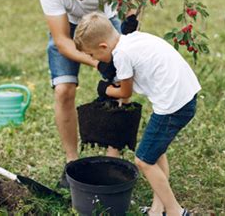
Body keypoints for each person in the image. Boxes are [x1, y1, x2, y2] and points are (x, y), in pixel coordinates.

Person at [74, 12, 199, 216]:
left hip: (173, 105)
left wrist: (104, 90)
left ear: (103, 47)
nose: (92, 59)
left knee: (143, 160)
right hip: (184, 95)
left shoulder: (121, 55)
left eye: (92, 55)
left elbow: (125, 92)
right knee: (156, 154)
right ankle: (157, 211)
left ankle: (175, 211)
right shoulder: (132, 38)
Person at [38, 0, 131, 188]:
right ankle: (71, 164)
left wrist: (122, 55)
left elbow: (127, 10)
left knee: (121, 84)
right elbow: (61, 41)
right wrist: (97, 64)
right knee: (63, 90)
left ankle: (113, 160)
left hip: (104, 21)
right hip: (69, 27)